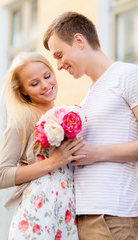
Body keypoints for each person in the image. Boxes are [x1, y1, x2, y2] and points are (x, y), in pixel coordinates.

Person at [43, 11, 138, 240]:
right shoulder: (88, 98)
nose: (58, 66)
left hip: (112, 218)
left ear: (79, 41)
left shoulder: (127, 75)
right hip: (84, 219)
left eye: (59, 54)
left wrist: (96, 153)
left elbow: (94, 153)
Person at [0, 51, 85, 239]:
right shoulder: (23, 120)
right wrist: (52, 162)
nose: (45, 85)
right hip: (38, 216)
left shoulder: (66, 116)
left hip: (65, 217)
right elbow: (1, 176)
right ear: (22, 91)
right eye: (34, 83)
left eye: (47, 76)